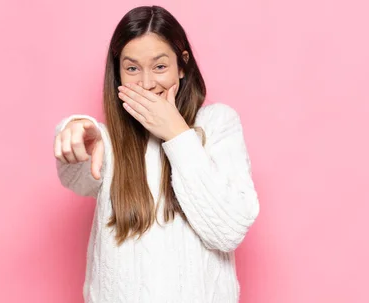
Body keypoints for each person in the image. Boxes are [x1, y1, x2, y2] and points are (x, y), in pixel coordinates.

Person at [53, 5, 259, 303]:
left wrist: (176, 133)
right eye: (132, 68)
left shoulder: (217, 124)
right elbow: (78, 176)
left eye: (160, 66)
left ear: (182, 65)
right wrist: (73, 129)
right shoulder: (108, 141)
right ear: (118, 72)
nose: (147, 83)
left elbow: (228, 231)